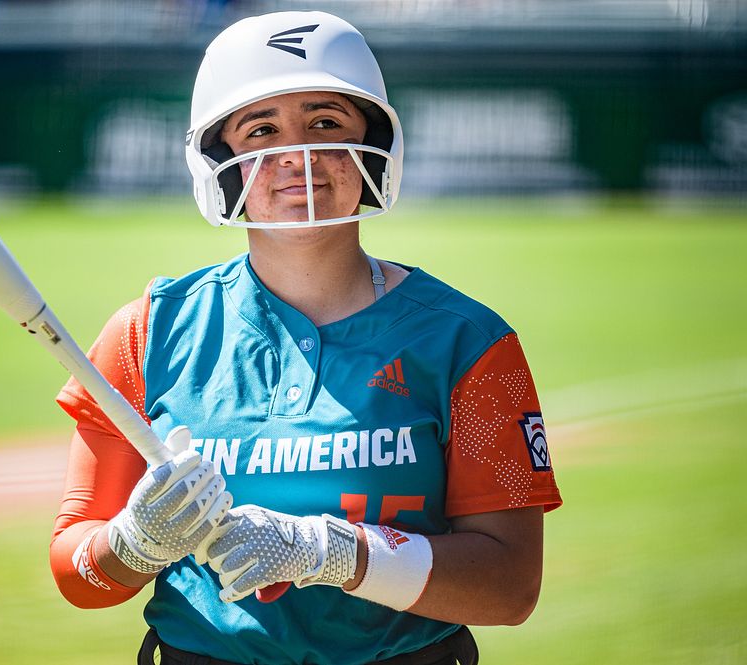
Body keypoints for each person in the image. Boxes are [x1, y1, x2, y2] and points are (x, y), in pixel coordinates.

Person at [49, 10, 562, 665]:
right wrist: (134, 542)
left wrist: (334, 552)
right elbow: (76, 575)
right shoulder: (147, 333)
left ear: (371, 143)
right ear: (221, 161)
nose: (296, 154)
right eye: (261, 130)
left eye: (325, 122)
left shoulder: (470, 341)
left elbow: (511, 587)